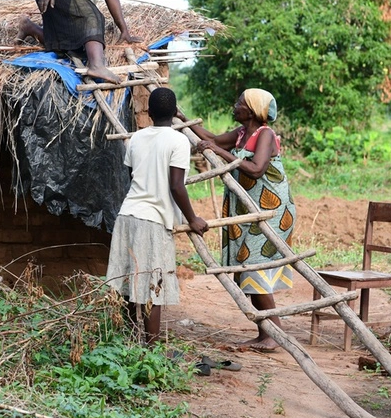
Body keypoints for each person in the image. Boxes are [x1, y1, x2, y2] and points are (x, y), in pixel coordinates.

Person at [191, 89, 296, 352]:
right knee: (248, 268)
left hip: (270, 210)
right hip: (248, 210)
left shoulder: (265, 134)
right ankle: (267, 333)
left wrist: (220, 151)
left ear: (251, 110)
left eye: (239, 102)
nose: (235, 105)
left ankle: (274, 334)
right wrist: (185, 119)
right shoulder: (240, 134)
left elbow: (256, 168)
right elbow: (212, 138)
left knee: (254, 267)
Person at [106, 87, 209, 344]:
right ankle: (151, 349)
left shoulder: (137, 138)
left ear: (148, 112)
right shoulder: (178, 141)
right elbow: (176, 185)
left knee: (129, 281)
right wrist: (193, 219)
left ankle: (130, 342)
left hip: (127, 215)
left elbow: (133, 178)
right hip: (153, 221)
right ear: (175, 113)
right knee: (155, 285)